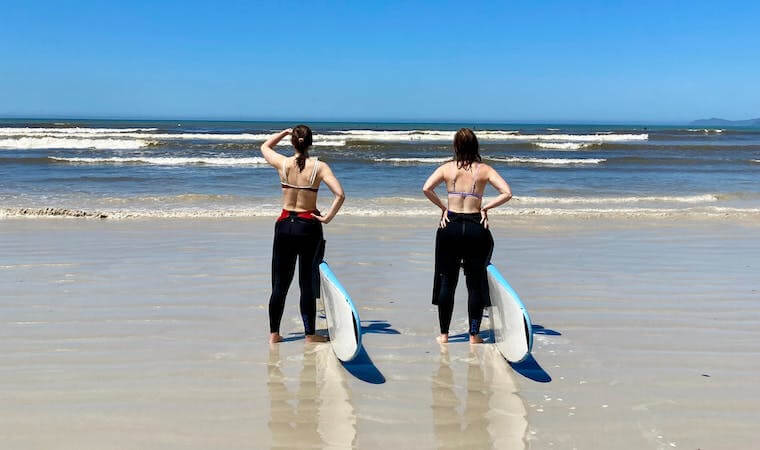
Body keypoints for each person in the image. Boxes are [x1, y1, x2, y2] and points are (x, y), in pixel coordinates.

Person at [422, 128, 513, 344]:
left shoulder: (446, 168)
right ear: (475, 147)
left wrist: (443, 208)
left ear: (455, 146)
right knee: (475, 283)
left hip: (450, 226)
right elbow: (507, 193)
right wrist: (485, 207)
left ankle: (444, 335)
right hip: (475, 226)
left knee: (447, 282)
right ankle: (474, 335)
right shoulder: (484, 170)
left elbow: (426, 188)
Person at [260, 126, 345, 344]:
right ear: (310, 142)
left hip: (284, 226)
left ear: (293, 143)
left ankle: (274, 334)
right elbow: (340, 195)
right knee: (306, 283)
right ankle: (310, 334)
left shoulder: (284, 164)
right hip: (308, 227)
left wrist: (282, 132)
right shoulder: (320, 167)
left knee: (279, 284)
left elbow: (265, 146)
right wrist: (327, 218)